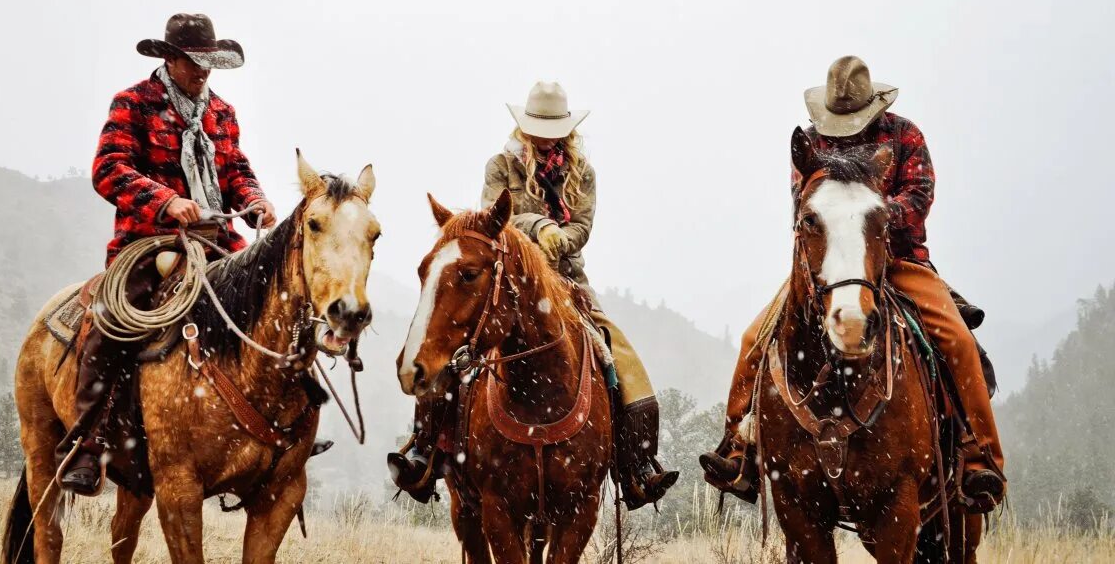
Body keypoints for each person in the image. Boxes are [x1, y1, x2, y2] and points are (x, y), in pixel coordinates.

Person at [699, 56, 1006, 513]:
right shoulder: (812, 144)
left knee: (957, 341)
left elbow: (919, 197)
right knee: (753, 339)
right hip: (826, 269)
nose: (842, 130)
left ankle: (979, 454)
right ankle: (740, 448)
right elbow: (802, 203)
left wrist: (873, 217)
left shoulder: (905, 137)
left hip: (898, 260)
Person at [388, 81, 679, 509]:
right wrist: (536, 228)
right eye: (538, 127)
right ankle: (427, 448)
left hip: (568, 279)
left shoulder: (584, 173)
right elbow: (492, 218)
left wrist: (563, 238)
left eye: (553, 128)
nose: (546, 136)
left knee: (616, 356)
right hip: (508, 277)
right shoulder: (500, 166)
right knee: (457, 352)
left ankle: (634, 464)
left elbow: (583, 225)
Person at [56, 13, 277, 495]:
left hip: (217, 242)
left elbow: (235, 169)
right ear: (171, 59)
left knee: (273, 303)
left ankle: (276, 426)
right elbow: (108, 169)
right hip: (148, 241)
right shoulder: (133, 103)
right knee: (115, 321)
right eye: (194, 63)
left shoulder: (222, 112)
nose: (202, 73)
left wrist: (254, 201)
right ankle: (88, 443)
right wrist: (165, 201)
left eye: (208, 64)